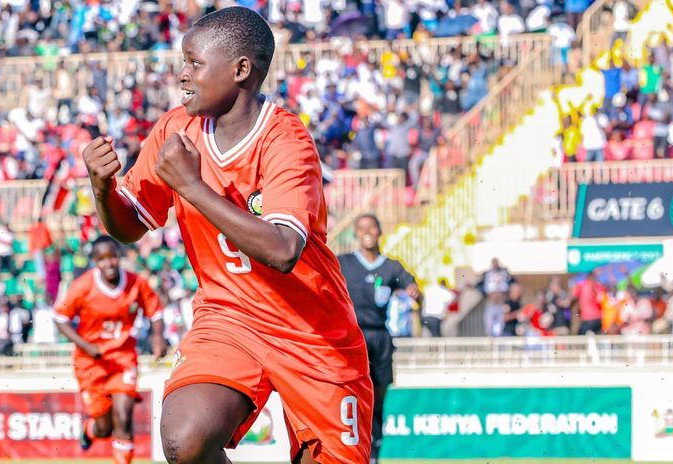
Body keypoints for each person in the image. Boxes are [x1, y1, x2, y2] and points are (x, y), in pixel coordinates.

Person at [81, 7, 373, 464]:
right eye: (184, 62)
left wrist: (191, 187)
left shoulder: (286, 139)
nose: (182, 75)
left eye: (195, 63)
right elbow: (130, 227)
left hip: (311, 330)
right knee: (184, 440)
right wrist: (103, 189)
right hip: (228, 318)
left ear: (240, 70)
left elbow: (283, 250)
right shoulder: (176, 130)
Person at [55, 235, 166, 464]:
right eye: (102, 259)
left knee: (123, 417)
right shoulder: (83, 286)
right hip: (90, 363)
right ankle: (90, 429)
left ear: (119, 256)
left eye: (112, 256)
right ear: (95, 261)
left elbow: (155, 312)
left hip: (122, 359)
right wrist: (86, 346)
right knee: (105, 427)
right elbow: (60, 318)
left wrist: (158, 338)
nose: (109, 263)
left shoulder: (136, 283)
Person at [337, 214, 420, 463]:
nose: (367, 231)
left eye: (371, 226)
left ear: (380, 231)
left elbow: (415, 289)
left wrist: (414, 292)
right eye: (362, 228)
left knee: (378, 397)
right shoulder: (344, 262)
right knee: (353, 395)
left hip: (381, 338)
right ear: (355, 233)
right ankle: (354, 448)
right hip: (352, 337)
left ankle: (375, 449)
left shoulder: (391, 266)